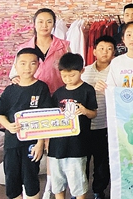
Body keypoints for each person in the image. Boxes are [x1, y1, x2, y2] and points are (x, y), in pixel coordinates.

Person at [0, 48, 53, 199]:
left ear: (38, 65)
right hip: (12, 144)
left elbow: (45, 118)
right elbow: (0, 114)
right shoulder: (10, 90)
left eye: (32, 63)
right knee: (12, 178)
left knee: (31, 179)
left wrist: (40, 143)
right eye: (23, 63)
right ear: (15, 65)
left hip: (31, 143)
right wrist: (8, 126)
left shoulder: (41, 87)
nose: (27, 67)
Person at [48, 53, 97, 199]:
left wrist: (85, 111)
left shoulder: (88, 90)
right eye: (64, 76)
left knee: (78, 181)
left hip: (78, 145)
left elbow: (93, 114)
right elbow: (51, 116)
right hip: (57, 144)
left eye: (72, 75)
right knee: (57, 181)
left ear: (82, 71)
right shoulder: (58, 93)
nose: (68, 79)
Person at [81, 36, 116, 199]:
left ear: (113, 52)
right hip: (86, 124)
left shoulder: (116, 72)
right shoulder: (84, 71)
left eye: (109, 49)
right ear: (94, 51)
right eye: (101, 48)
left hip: (106, 124)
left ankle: (99, 191)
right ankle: (81, 190)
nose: (105, 52)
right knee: (83, 160)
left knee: (102, 162)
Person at [11, 8, 70, 95]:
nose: (44, 25)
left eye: (49, 22)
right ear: (34, 24)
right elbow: (15, 72)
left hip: (58, 94)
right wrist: (15, 77)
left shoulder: (64, 46)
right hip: (31, 94)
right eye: (40, 22)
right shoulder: (24, 48)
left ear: (54, 25)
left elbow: (72, 69)